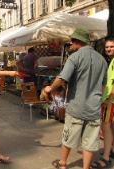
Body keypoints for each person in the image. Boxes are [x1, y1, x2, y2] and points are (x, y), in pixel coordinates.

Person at [44, 28, 107, 169]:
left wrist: (50, 88)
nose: (71, 43)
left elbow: (61, 78)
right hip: (94, 107)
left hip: (76, 106)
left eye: (72, 41)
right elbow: (103, 85)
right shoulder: (102, 59)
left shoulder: (75, 57)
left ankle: (62, 164)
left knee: (68, 137)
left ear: (79, 42)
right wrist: (99, 100)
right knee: (90, 141)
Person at [90, 37, 114, 168]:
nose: (109, 49)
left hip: (111, 100)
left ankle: (105, 158)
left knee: (106, 127)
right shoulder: (112, 60)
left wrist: (109, 99)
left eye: (111, 46)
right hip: (111, 99)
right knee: (110, 126)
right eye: (107, 47)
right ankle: (111, 150)